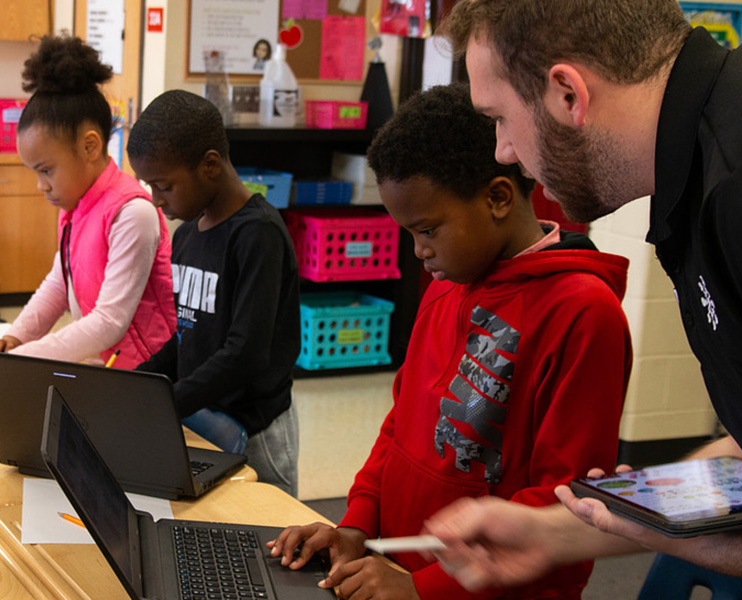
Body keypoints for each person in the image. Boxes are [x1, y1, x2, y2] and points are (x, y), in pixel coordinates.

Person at [422, 0, 742, 589]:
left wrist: (709, 548)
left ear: (568, 94)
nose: (502, 150)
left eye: (499, 118)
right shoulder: (704, 160)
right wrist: (554, 532)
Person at [267, 83, 632, 599]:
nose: (419, 252)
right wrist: (356, 526)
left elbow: (566, 504)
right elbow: (400, 427)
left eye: (428, 230)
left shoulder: (583, 312)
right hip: (399, 575)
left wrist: (428, 589)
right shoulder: (447, 288)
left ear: (498, 198)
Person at [128, 90, 301, 496]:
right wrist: (137, 386)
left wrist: (166, 402)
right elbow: (188, 336)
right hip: (203, 417)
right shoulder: (188, 234)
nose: (155, 199)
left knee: (273, 536)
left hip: (257, 430)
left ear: (209, 165)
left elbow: (246, 352)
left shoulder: (258, 234)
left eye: (164, 185)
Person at [0, 34, 175, 369]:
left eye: (46, 170)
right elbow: (58, 284)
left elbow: (109, 322)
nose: (41, 186)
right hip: (106, 370)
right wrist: (17, 336)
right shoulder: (77, 207)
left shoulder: (132, 213)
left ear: (90, 147)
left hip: (145, 376)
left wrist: (21, 359)